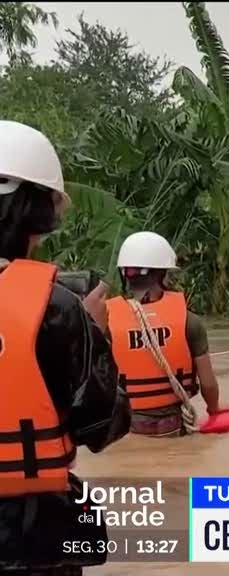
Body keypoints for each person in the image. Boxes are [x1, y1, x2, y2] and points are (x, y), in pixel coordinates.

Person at [0, 120, 131, 574]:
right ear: (32, 212)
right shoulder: (57, 307)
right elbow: (103, 427)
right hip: (29, 536)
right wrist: (97, 335)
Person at [106, 231, 221, 436]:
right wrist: (214, 412)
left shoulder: (105, 321)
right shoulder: (189, 321)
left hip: (126, 429)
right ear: (162, 274)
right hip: (173, 425)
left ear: (124, 274)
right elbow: (208, 384)